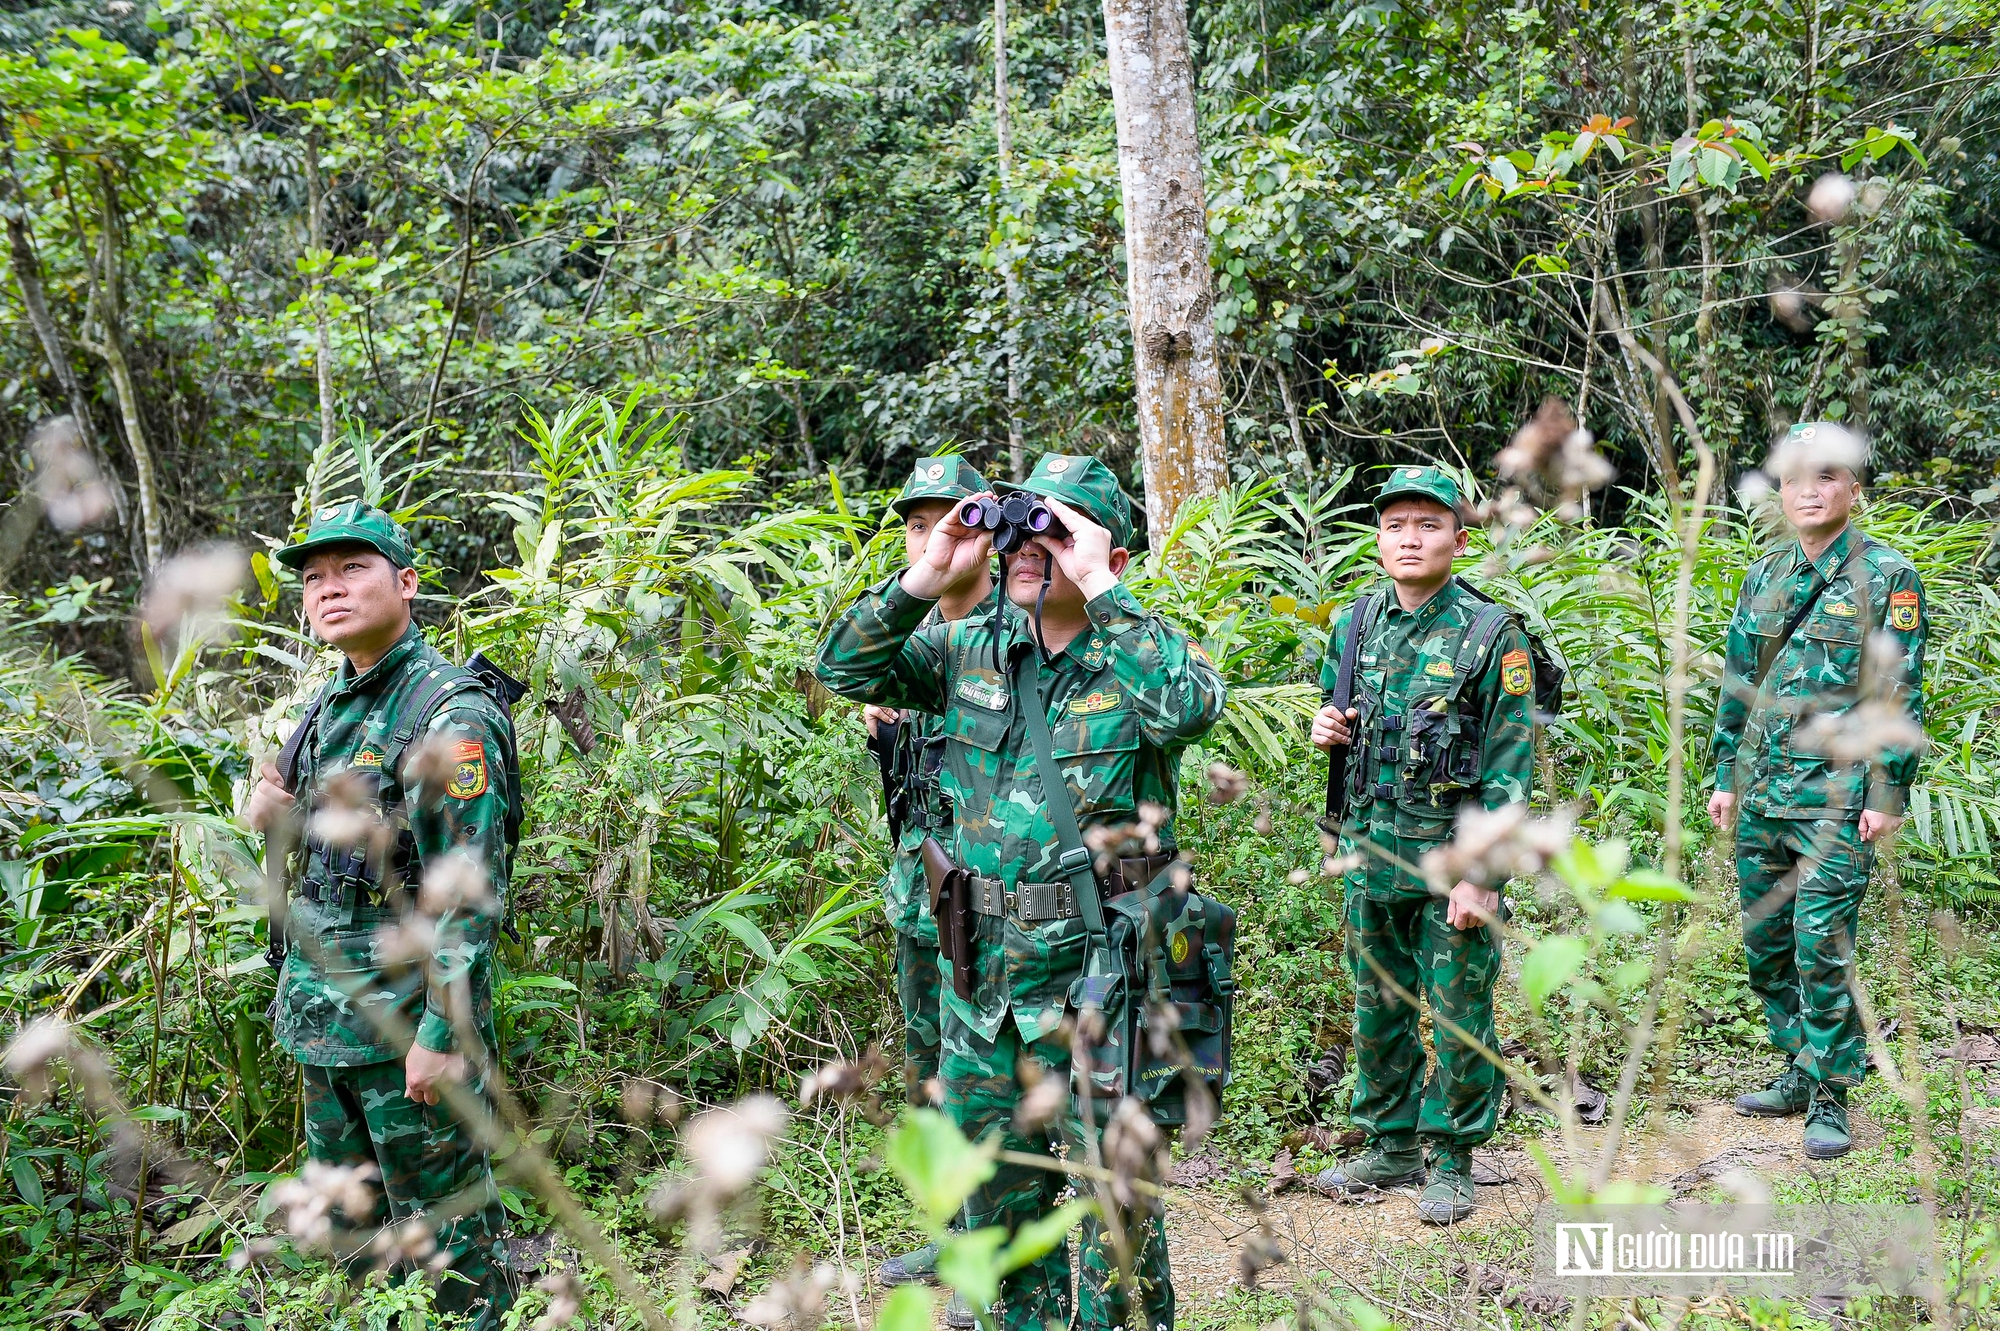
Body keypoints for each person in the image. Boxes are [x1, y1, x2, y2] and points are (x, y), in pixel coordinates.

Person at [816, 454, 1225, 1331]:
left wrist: (1098, 582)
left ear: (1107, 553)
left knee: (1112, 1201)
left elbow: (1191, 708)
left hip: (1097, 982)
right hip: (982, 990)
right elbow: (844, 667)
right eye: (1023, 526)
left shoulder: (1139, 655)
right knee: (1002, 1202)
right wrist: (930, 570)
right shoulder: (966, 647)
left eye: (1058, 527)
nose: (1030, 545)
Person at [243, 502, 518, 1327]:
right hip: (325, 1020)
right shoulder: (333, 705)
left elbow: (467, 891)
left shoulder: (447, 714)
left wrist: (443, 1034)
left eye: (351, 568)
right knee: (353, 1233)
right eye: (313, 577)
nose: (328, 589)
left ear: (406, 582)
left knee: (448, 1240)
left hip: (406, 1024)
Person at [1307, 466, 1536, 1226]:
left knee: (1458, 1008)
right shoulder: (1356, 622)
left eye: (1428, 524)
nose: (1411, 538)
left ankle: (1452, 1156)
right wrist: (1325, 727)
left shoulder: (1490, 633)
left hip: (1449, 864)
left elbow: (1508, 770)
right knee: (1378, 1005)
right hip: (1371, 851)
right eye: (1396, 525)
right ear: (1378, 540)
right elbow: (1339, 710)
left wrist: (1484, 877)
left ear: (1459, 540)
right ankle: (1391, 1144)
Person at [1709, 422, 1927, 1160]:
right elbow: (1740, 684)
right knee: (1766, 946)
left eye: (1827, 475)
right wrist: (1723, 776)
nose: (1810, 488)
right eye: (1797, 476)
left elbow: (1897, 690)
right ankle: (1802, 1064)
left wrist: (1886, 793)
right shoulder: (1763, 574)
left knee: (1819, 946)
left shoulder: (1888, 575)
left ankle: (1832, 1094)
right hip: (1765, 793)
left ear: (1853, 491)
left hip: (1836, 802)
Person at [866, 454, 993, 1295]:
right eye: (917, 525)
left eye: (949, 520)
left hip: (993, 896)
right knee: (928, 1061)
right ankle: (949, 1228)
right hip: (920, 885)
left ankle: (994, 1240)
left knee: (987, 1069)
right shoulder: (907, 651)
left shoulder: (1015, 636)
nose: (933, 538)